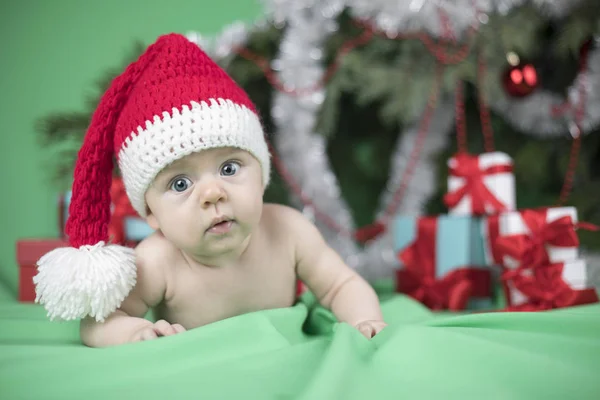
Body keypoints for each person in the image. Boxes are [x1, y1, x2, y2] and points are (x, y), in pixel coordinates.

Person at [34, 33, 386, 347]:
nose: (212, 193)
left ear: (260, 173)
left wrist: (364, 320)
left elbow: (341, 285)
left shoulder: (289, 231)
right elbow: (97, 324)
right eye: (180, 184)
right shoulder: (157, 262)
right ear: (151, 213)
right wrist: (131, 332)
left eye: (229, 168)